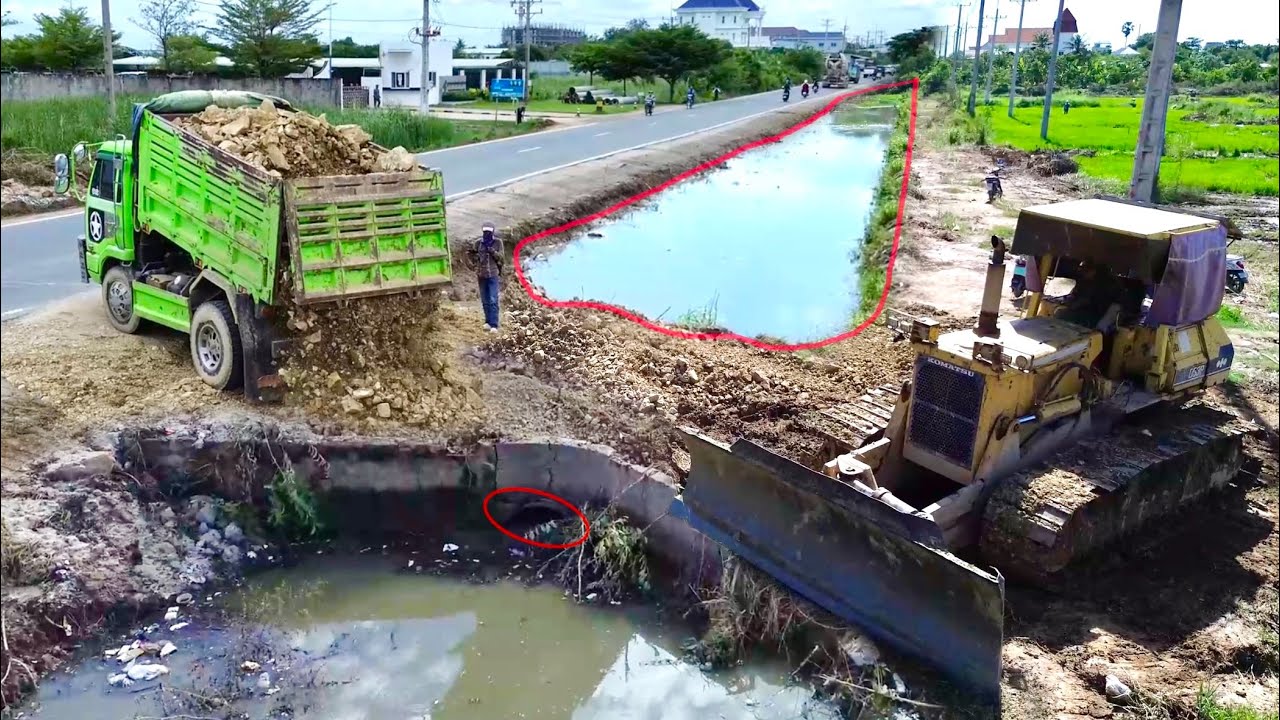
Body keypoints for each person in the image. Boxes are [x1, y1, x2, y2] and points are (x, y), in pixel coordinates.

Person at [471, 223, 503, 331]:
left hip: (493, 275)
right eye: (485, 232)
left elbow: (501, 258)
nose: (487, 234)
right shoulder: (478, 243)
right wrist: (474, 266)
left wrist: (492, 251)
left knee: (493, 299)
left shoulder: (498, 243)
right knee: (485, 300)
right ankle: (488, 321)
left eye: (489, 232)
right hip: (481, 275)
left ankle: (494, 324)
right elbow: (472, 256)